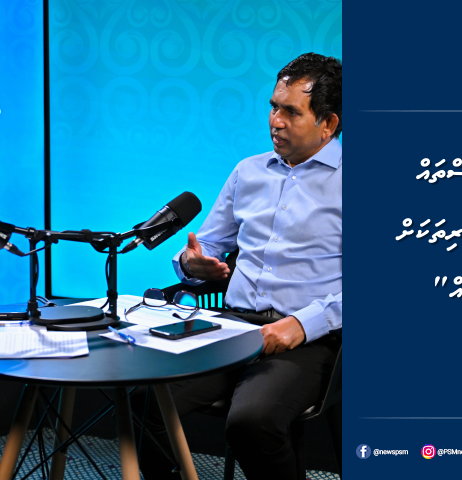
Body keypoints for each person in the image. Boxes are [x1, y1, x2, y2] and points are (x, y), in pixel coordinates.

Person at [140, 52, 342, 480]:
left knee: (252, 421)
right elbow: (205, 246)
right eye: (273, 107)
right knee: (146, 396)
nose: (276, 121)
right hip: (233, 328)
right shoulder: (247, 172)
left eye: (291, 112)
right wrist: (193, 264)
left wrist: (302, 324)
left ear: (328, 123)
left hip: (309, 340)